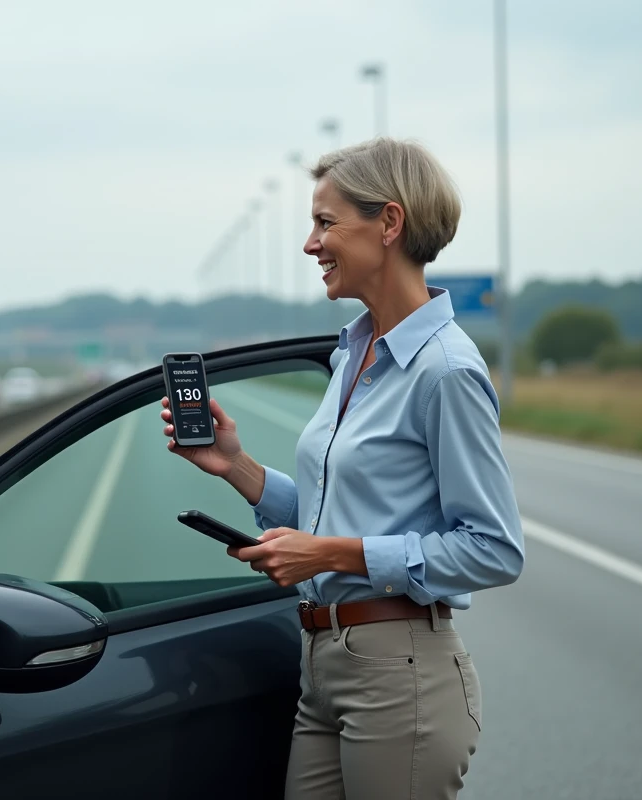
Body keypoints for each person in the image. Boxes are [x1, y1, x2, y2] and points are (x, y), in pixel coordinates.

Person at [160, 137, 524, 799]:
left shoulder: (445, 371)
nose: (309, 243)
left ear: (389, 223)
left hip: (400, 675)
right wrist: (235, 467)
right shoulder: (353, 353)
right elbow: (336, 511)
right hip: (323, 665)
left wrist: (325, 553)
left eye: (325, 223)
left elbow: (494, 549)